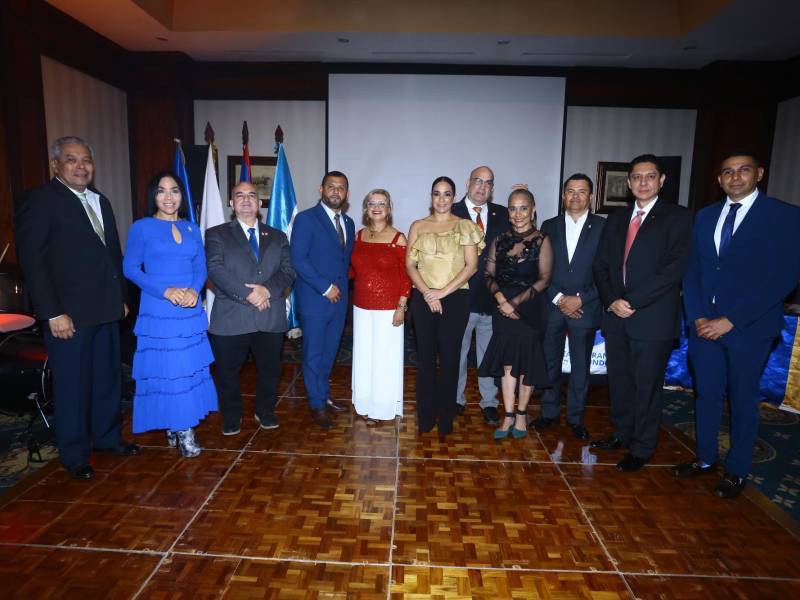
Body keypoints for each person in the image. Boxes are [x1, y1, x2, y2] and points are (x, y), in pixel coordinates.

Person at [674, 151, 800, 498]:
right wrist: (698, 316)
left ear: (759, 174)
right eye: (727, 171)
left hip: (749, 328)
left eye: (743, 170)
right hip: (703, 326)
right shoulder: (705, 216)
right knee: (707, 394)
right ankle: (705, 458)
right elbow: (692, 270)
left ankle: (737, 469)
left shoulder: (785, 216)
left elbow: (784, 277)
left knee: (743, 399)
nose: (735, 177)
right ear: (719, 180)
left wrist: (731, 320)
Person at [14, 136, 138, 480]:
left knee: (107, 380)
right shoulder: (41, 201)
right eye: (72, 159)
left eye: (86, 160)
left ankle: (107, 438)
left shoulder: (101, 200)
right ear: (56, 165)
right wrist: (52, 312)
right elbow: (34, 262)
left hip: (106, 309)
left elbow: (112, 255)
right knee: (73, 387)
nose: (81, 166)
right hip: (68, 316)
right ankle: (74, 455)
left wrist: (121, 298)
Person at [591, 154, 692, 471]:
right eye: (636, 177)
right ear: (629, 182)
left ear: (662, 180)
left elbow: (673, 269)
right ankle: (621, 434)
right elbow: (601, 265)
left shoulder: (678, 217)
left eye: (650, 176)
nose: (643, 182)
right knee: (620, 382)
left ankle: (643, 447)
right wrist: (612, 300)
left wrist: (631, 301)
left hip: (651, 319)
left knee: (646, 386)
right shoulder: (616, 219)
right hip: (616, 315)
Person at [123, 171, 217, 456]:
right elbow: (130, 268)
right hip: (159, 310)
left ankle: (175, 422)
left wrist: (194, 290)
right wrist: (165, 291)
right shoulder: (142, 227)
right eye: (161, 191)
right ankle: (183, 427)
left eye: (174, 190)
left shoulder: (191, 228)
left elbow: (201, 267)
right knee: (170, 370)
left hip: (189, 311)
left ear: (181, 195)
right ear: (153, 196)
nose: (168, 197)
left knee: (188, 369)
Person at [205, 181, 296, 436]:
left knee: (270, 370)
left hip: (269, 314)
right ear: (231, 203)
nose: (246, 200)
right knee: (227, 372)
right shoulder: (216, 234)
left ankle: (265, 411)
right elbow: (215, 269)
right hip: (231, 317)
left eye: (252, 195)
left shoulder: (278, 236)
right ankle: (231, 416)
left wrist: (266, 290)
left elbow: (288, 271)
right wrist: (250, 295)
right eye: (240, 195)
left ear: (260, 203)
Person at [406, 176, 483, 439]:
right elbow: (410, 265)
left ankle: (446, 418)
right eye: (437, 193)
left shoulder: (465, 226)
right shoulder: (418, 226)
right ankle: (426, 418)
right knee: (425, 360)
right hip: (423, 298)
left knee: (451, 360)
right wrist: (429, 294)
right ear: (431, 197)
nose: (441, 199)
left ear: (454, 197)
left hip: (455, 299)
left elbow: (471, 267)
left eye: (447, 194)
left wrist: (442, 292)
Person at [535, 174, 605, 440]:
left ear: (591, 196)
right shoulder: (549, 225)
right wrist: (559, 299)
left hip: (585, 308)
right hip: (553, 306)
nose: (575, 196)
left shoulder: (603, 227)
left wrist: (581, 299)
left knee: (580, 367)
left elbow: (607, 272)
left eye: (581, 191)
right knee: (549, 362)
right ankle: (549, 413)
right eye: (570, 191)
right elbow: (541, 268)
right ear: (563, 195)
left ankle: (575, 418)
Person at [479, 189, 553, 439]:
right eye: (513, 208)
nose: (518, 213)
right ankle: (508, 414)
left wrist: (515, 303)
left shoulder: (542, 240)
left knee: (526, 363)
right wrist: (502, 300)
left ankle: (522, 413)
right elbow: (488, 274)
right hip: (502, 308)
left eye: (523, 208)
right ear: (508, 212)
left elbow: (544, 279)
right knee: (508, 363)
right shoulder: (499, 240)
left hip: (530, 309)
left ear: (533, 210)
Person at [290, 171, 355, 429]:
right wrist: (325, 287)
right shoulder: (306, 219)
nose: (336, 191)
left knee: (329, 353)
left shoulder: (349, 222)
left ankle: (324, 395)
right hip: (315, 300)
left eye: (341, 187)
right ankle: (316, 404)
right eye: (331, 186)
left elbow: (343, 261)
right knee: (314, 354)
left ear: (347, 193)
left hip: (339, 302)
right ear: (321, 189)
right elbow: (298, 259)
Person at [451, 166, 510, 425]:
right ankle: (455, 399)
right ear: (468, 183)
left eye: (488, 183)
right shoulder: (451, 211)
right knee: (457, 352)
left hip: (492, 298)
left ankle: (489, 402)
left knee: (489, 354)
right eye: (478, 181)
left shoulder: (503, 214)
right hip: (460, 296)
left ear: (492, 188)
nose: (482, 187)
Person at [349, 189, 411, 424]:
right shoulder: (358, 236)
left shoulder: (398, 239)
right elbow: (352, 270)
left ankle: (382, 407)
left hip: (389, 309)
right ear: (366, 208)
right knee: (364, 357)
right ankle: (364, 403)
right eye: (372, 203)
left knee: (384, 358)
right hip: (361, 306)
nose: (376, 207)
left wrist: (401, 306)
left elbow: (407, 276)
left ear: (389, 208)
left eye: (381, 203)